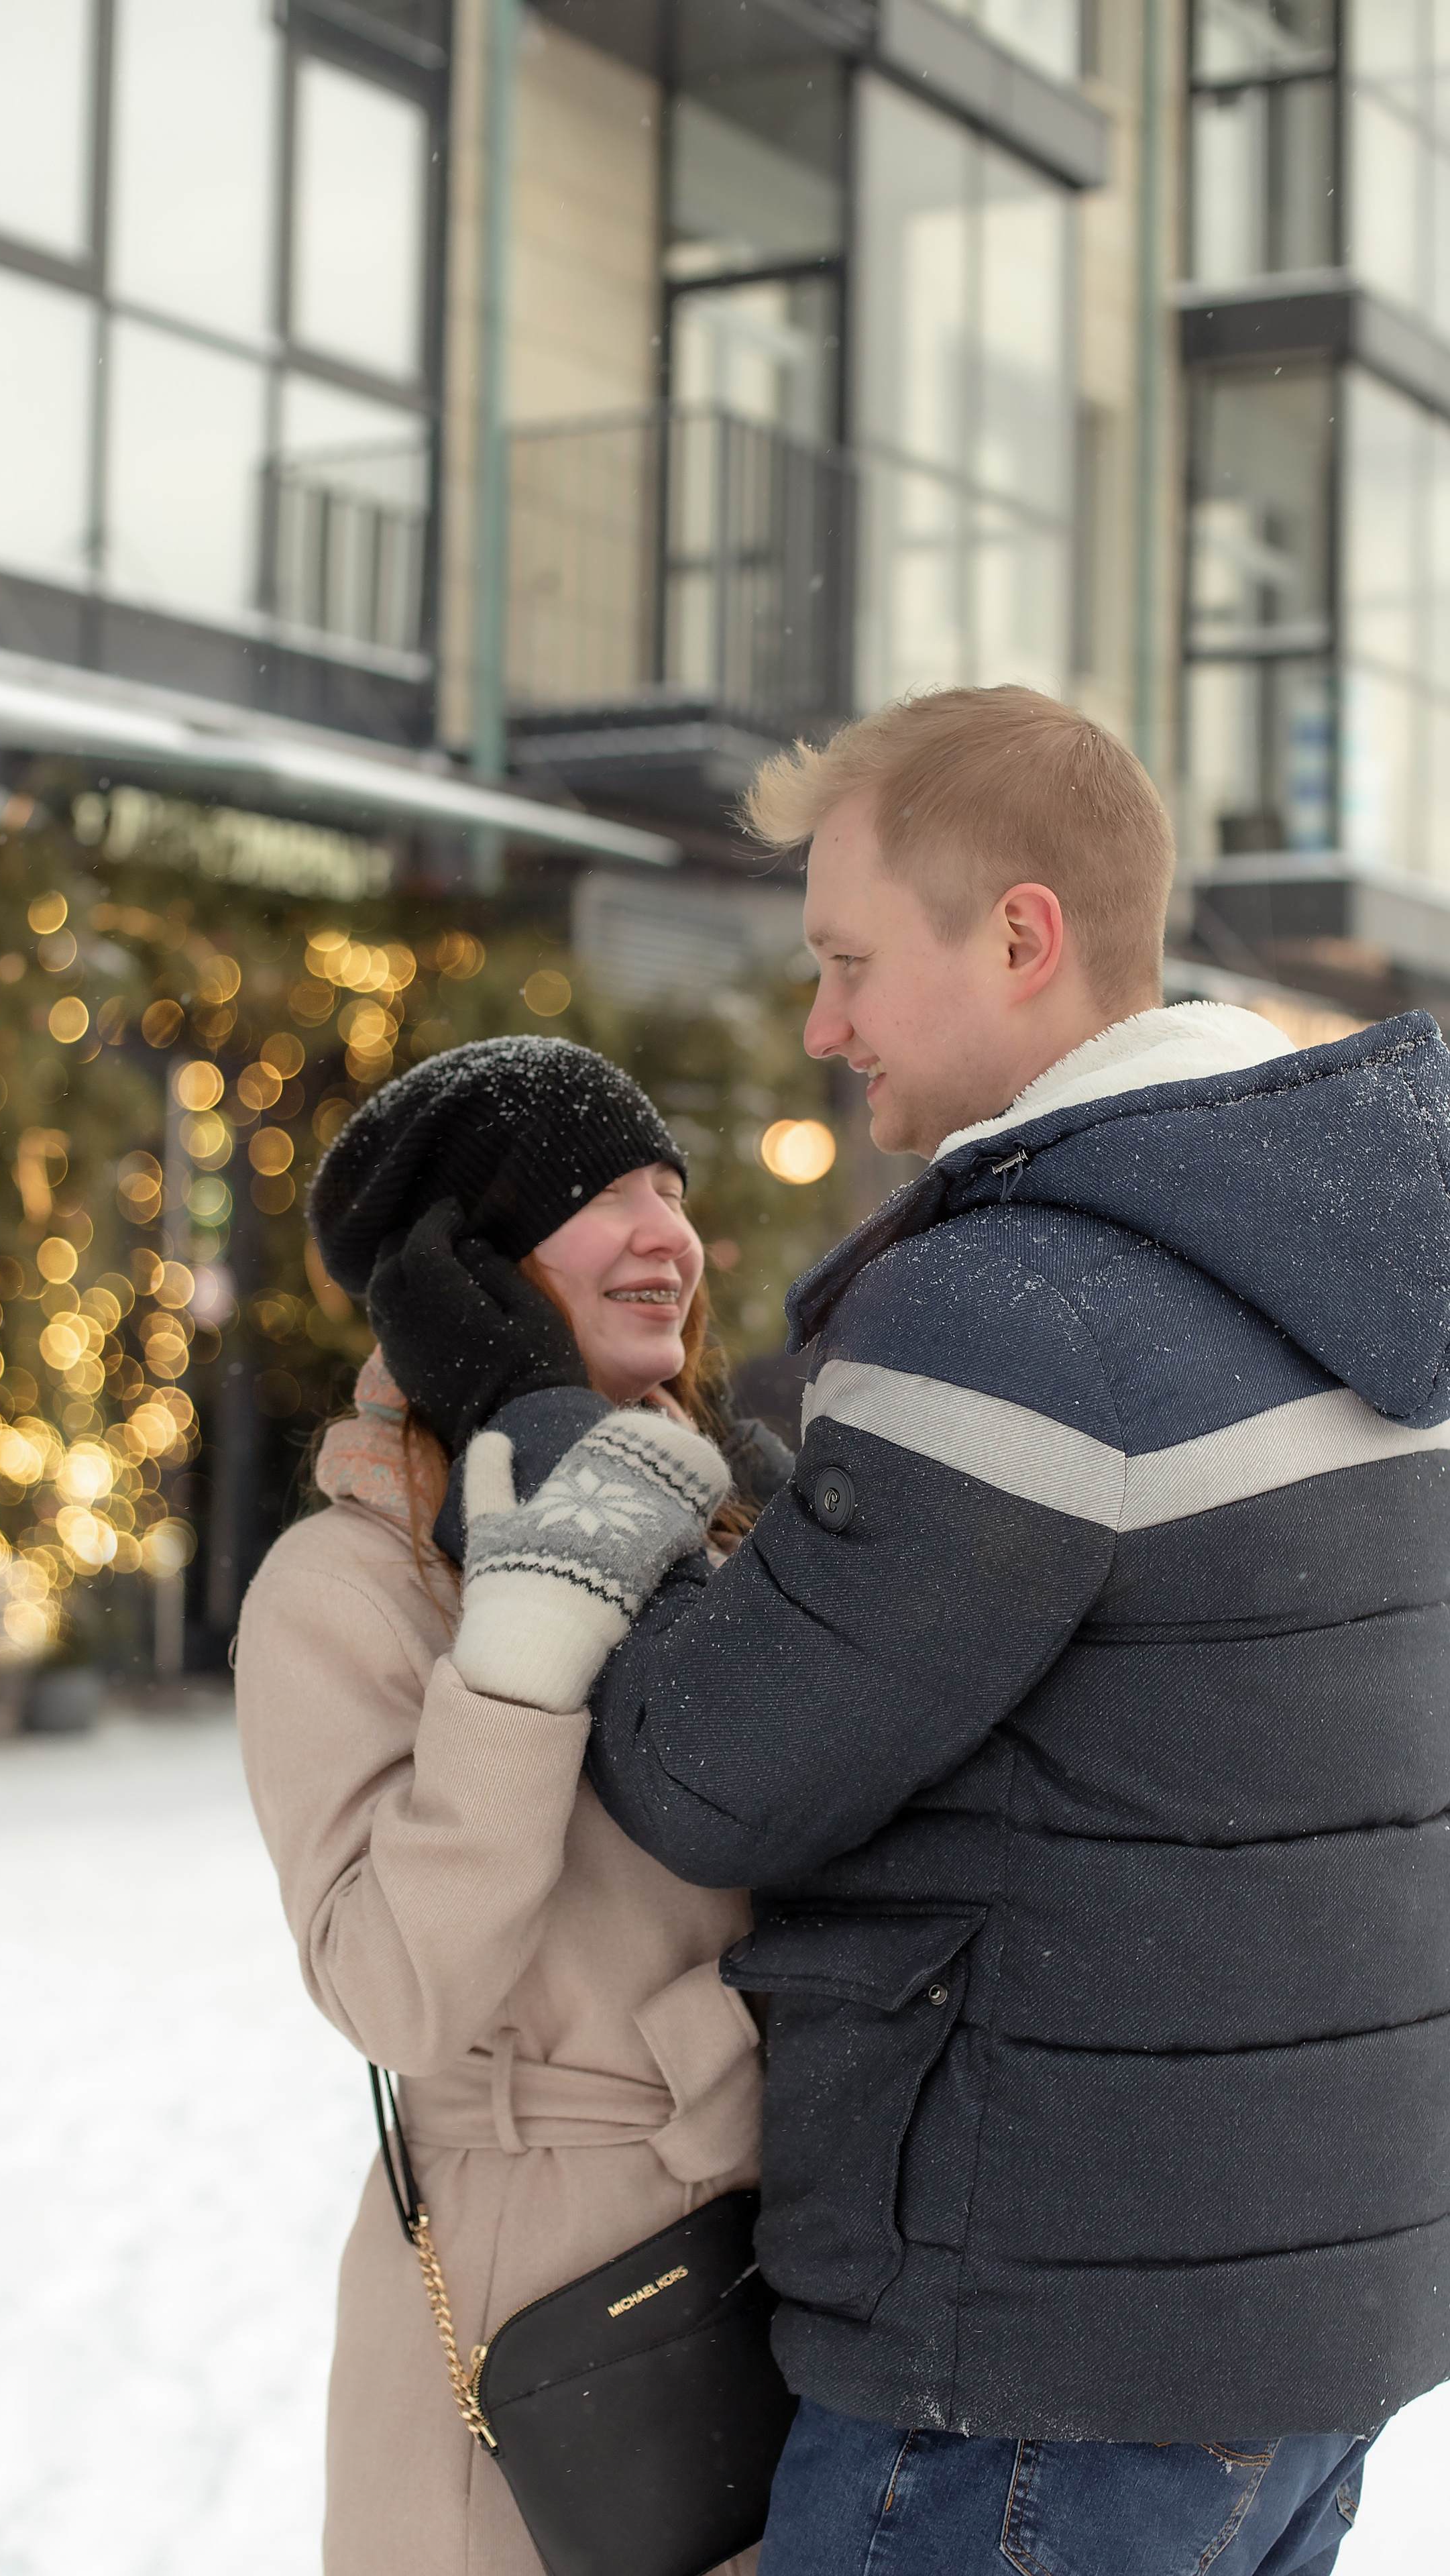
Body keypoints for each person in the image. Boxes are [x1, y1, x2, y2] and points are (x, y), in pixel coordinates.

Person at [375, 688, 1450, 2574]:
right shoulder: (1346, 1268)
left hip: (1036, 2361)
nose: (824, 1024)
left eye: (852, 959)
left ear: (1021, 936)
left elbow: (709, 1775)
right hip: (1307, 2324)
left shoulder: (1021, 1307)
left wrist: (538, 1428)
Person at [234, 1035, 787, 2576]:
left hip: (780, 2252)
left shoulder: (744, 1520)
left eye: (669, 1191)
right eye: (600, 1195)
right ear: (462, 1271)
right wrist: (524, 1656)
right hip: (533, 2299)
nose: (663, 1234)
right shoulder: (342, 1588)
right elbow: (393, 1991)